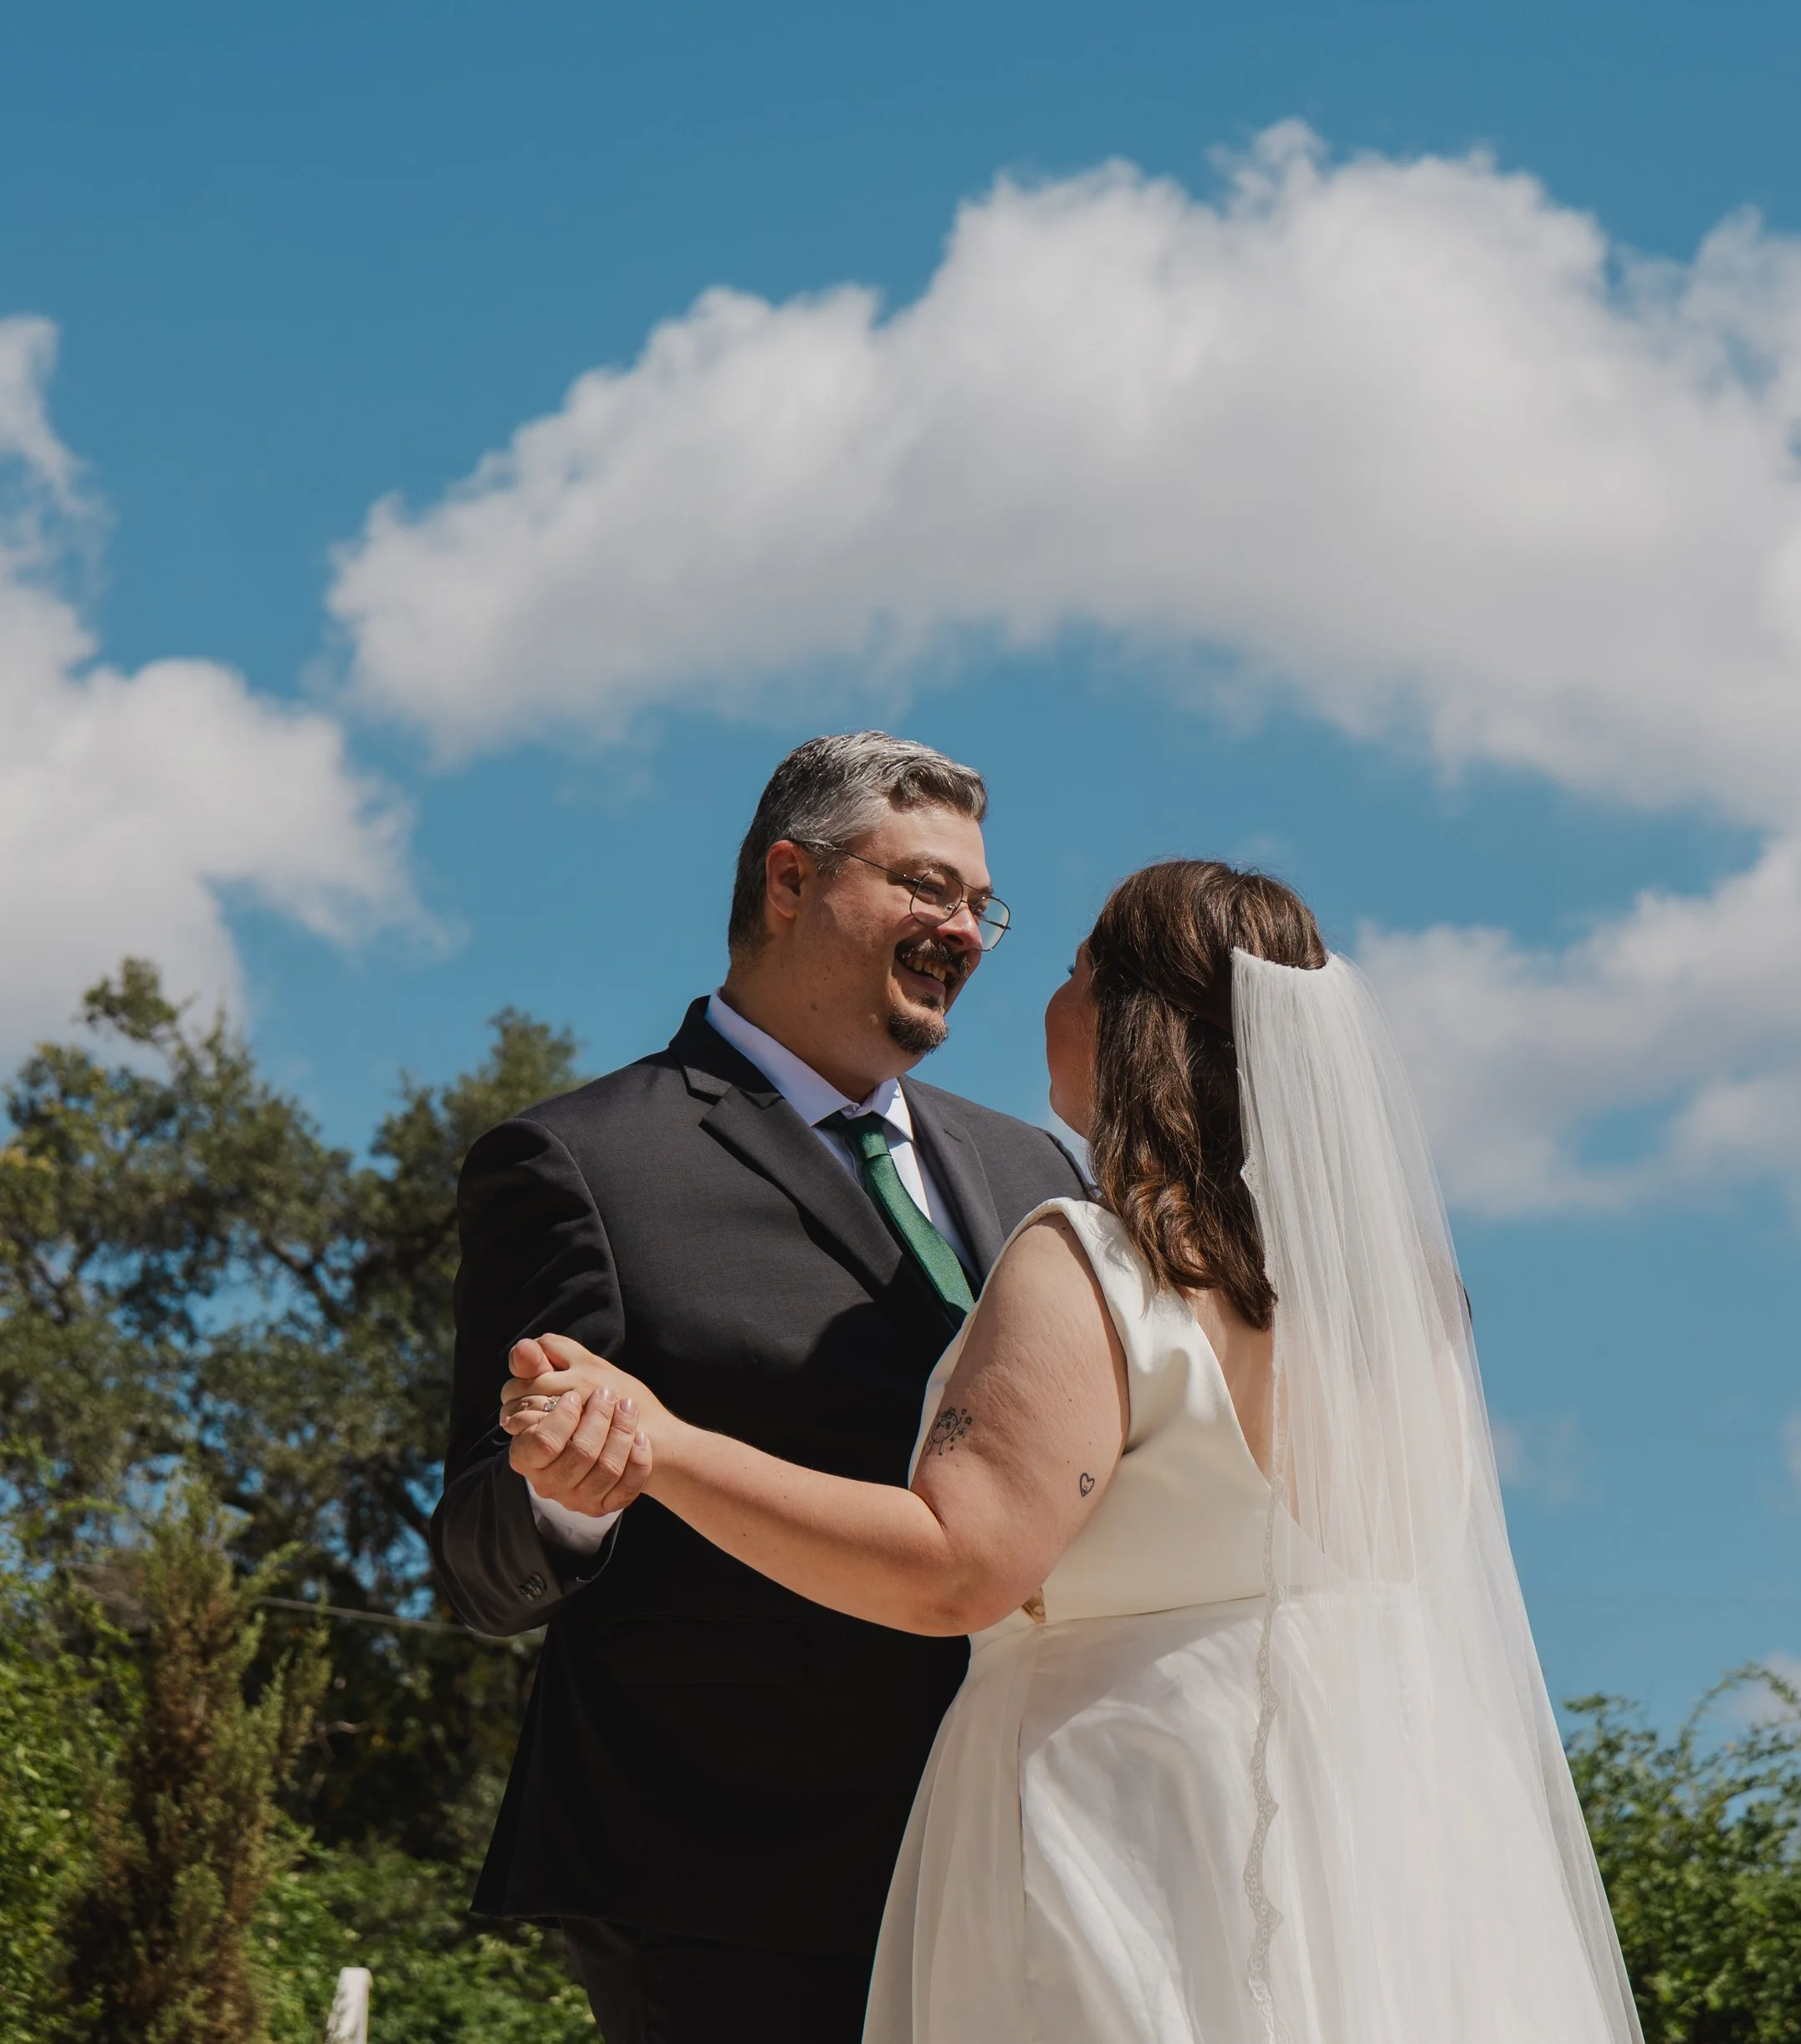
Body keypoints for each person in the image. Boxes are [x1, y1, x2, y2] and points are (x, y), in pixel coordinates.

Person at [503, 858, 1645, 2043]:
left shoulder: (1098, 1256)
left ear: (1124, 1019)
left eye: (1070, 971)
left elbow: (956, 1564)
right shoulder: (1405, 1305)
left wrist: (665, 1445)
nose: (1042, 997)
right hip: (1356, 1849)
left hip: (1121, 1836)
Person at [429, 733, 1085, 2044]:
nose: (963, 929)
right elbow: (479, 1564)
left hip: (1037, 1858)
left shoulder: (1039, 1174)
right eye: (926, 887)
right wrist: (572, 1498)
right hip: (729, 1892)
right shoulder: (579, 1161)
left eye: (979, 904)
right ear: (790, 880)